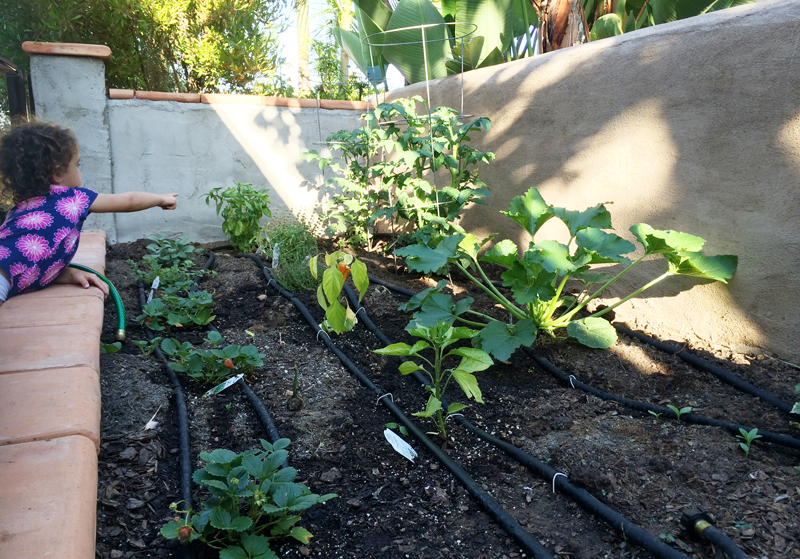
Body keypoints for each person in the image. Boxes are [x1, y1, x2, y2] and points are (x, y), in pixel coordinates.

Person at [0, 120, 178, 306]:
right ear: (58, 173)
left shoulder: (20, 211)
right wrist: (161, 199)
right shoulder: (74, 198)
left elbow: (28, 263)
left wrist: (63, 273)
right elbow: (128, 201)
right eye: (77, 165)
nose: (79, 171)